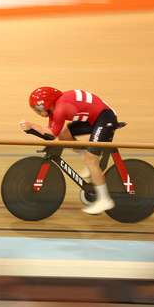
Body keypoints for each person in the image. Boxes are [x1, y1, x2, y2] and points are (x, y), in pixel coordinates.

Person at [19, 86, 117, 215]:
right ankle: (89, 164)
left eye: (38, 109)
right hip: (96, 117)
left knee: (91, 160)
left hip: (105, 118)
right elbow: (53, 133)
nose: (38, 112)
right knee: (65, 136)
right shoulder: (57, 105)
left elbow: (51, 135)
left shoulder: (60, 108)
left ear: (47, 103)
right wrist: (33, 129)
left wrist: (32, 127)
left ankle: (105, 199)